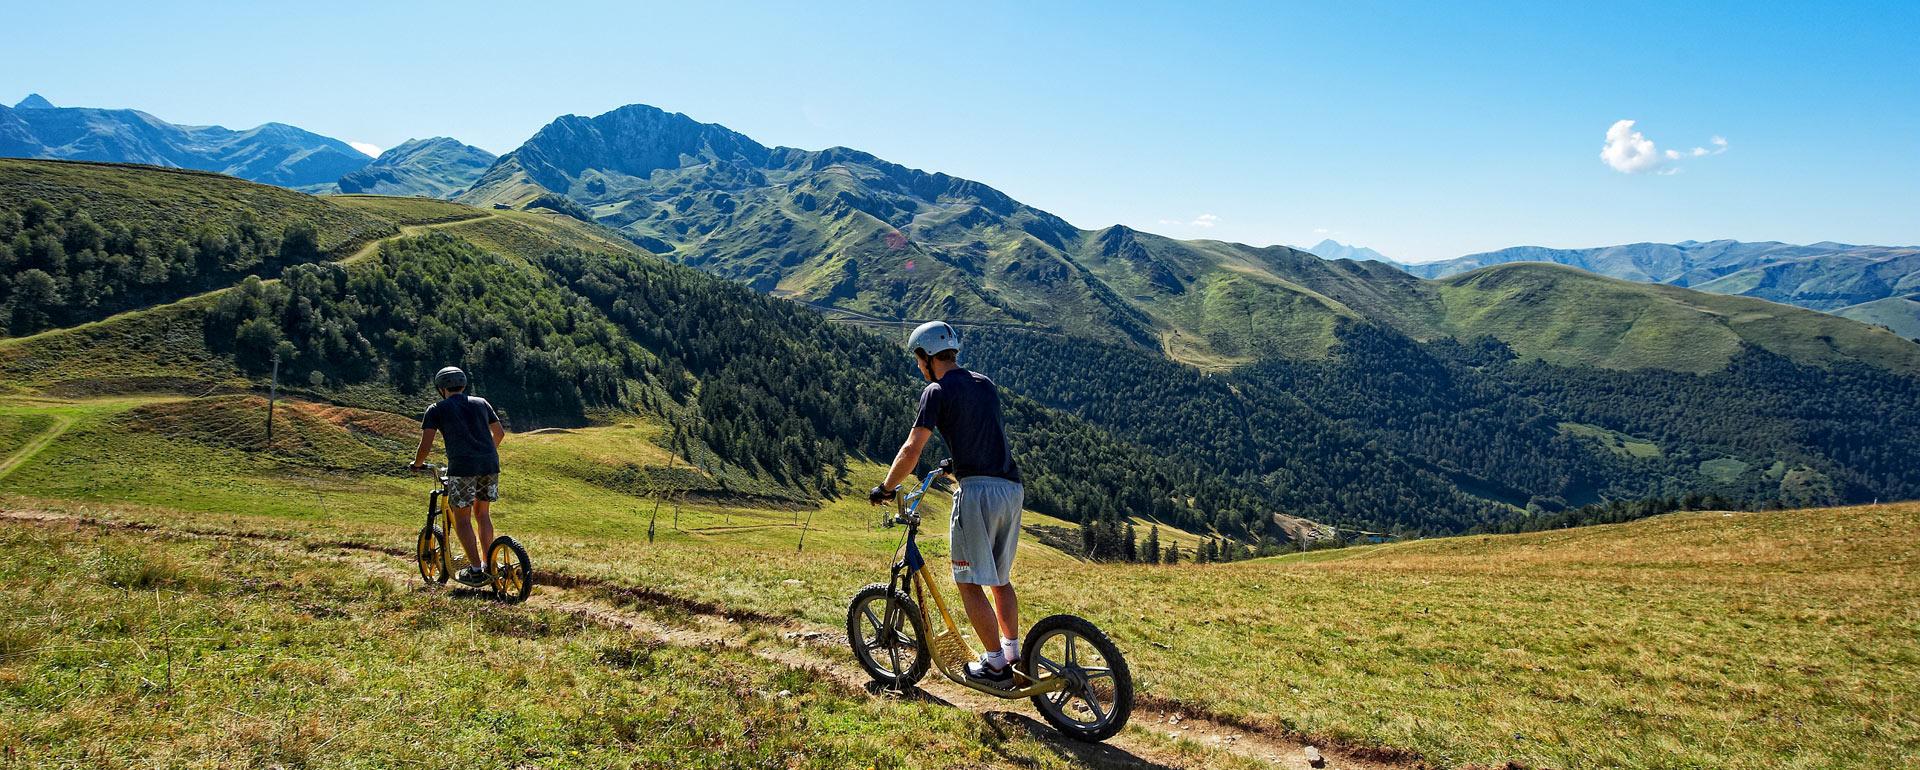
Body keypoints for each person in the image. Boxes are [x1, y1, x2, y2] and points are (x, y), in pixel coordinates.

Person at [871, 321, 1026, 687]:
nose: (918, 366)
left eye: (917, 359)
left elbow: (912, 448)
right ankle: (1012, 654)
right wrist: (957, 464)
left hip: (978, 493)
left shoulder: (936, 391)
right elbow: (983, 434)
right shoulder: (984, 383)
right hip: (1010, 488)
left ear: (927, 356)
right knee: (1000, 580)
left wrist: (887, 487)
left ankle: (995, 666)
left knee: (968, 580)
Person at [410, 366, 505, 587]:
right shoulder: (481, 403)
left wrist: (417, 464)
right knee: (483, 514)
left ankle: (475, 570)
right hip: (489, 464)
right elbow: (499, 434)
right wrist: (486, 453)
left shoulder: (436, 409)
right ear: (463, 385)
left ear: (441, 388)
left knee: (462, 518)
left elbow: (425, 445)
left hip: (462, 467)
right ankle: (488, 563)